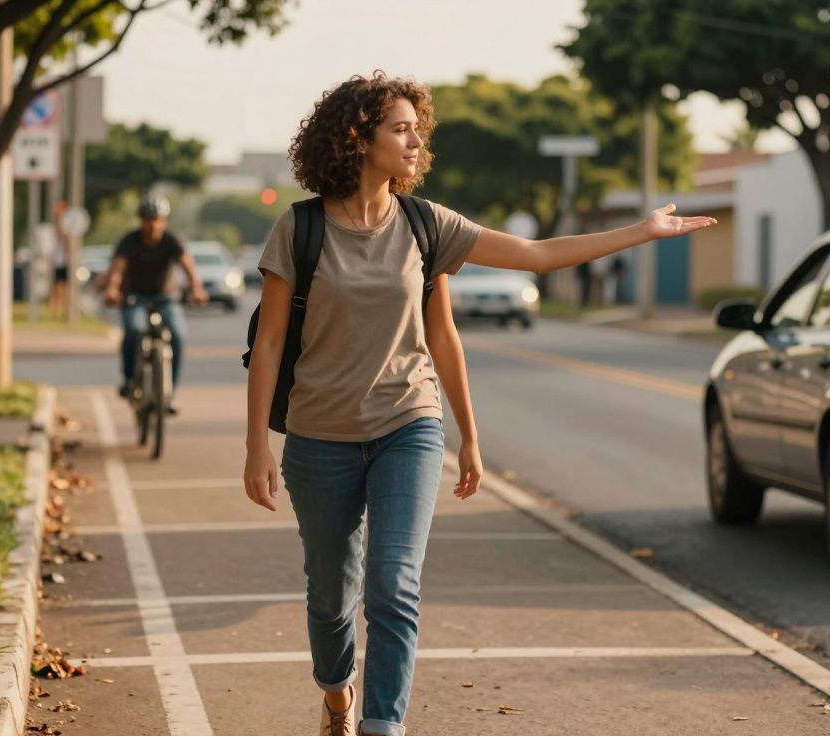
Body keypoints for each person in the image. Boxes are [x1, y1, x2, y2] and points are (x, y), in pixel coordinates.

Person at [243, 72, 716, 736]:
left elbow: (528, 262)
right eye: (400, 129)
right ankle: (336, 692)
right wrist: (256, 445)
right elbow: (267, 345)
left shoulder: (425, 224)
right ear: (358, 138)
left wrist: (640, 231)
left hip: (406, 424)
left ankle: (383, 724)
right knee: (331, 595)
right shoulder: (300, 230)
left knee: (394, 586)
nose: (415, 142)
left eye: (418, 130)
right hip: (319, 436)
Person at [103, 195, 208, 413]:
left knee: (178, 335)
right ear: (141, 221)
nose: (152, 224)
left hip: (165, 297)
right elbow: (118, 268)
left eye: (157, 219)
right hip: (135, 296)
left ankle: (169, 394)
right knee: (133, 330)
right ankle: (130, 379)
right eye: (147, 219)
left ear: (164, 221)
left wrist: (196, 288)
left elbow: (187, 264)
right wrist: (112, 289)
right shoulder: (130, 240)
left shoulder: (171, 240)